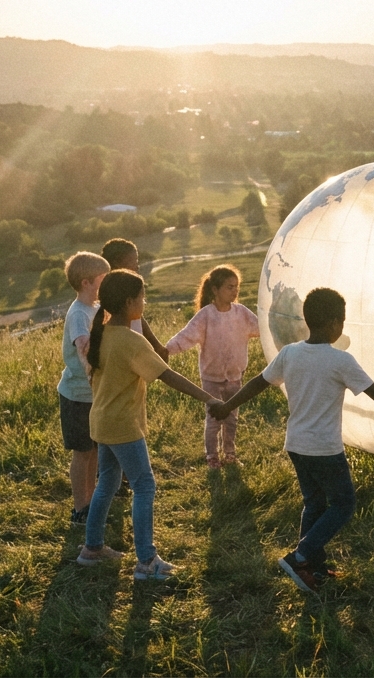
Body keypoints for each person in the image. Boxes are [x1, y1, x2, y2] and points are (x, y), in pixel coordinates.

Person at [210, 287, 374, 594]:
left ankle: (313, 568)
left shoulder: (290, 353)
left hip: (296, 444)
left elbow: (258, 383)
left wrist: (227, 406)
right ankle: (300, 556)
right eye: (343, 321)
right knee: (343, 503)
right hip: (324, 448)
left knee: (315, 503)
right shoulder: (340, 360)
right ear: (335, 323)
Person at [76, 270, 223, 580]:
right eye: (142, 297)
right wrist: (209, 398)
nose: (145, 301)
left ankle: (92, 549)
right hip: (122, 426)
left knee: (107, 483)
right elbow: (168, 375)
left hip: (102, 422)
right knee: (144, 486)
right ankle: (146, 561)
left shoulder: (103, 334)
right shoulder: (131, 340)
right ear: (130, 302)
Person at [165, 265, 259, 469]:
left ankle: (230, 454)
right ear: (215, 290)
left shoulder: (241, 313)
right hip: (212, 379)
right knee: (214, 418)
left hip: (235, 376)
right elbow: (186, 336)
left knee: (232, 418)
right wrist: (165, 351)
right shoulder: (206, 315)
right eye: (229, 287)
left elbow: (262, 328)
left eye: (236, 287)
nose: (234, 291)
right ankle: (212, 457)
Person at [57, 251, 110, 527]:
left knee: (93, 451)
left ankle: (90, 503)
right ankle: (80, 509)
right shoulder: (79, 313)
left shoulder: (94, 309)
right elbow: (83, 348)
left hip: (93, 393)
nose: (107, 282)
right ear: (87, 282)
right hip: (78, 394)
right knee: (82, 452)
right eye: (104, 278)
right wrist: (95, 379)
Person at [101, 238, 170, 362]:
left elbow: (139, 317)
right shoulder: (110, 292)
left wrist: (157, 346)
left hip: (135, 349)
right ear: (117, 263)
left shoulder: (128, 287)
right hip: (124, 352)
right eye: (134, 261)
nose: (137, 266)